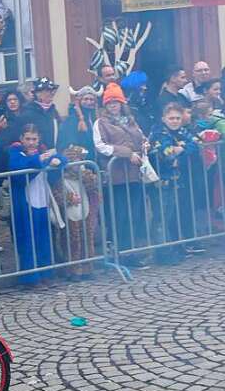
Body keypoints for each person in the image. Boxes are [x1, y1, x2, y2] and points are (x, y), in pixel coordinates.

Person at [93, 82, 149, 267]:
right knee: (120, 215)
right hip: (116, 176)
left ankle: (131, 252)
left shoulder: (131, 120)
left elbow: (140, 136)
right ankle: (121, 253)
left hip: (133, 174)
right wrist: (126, 153)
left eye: (116, 101)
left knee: (134, 214)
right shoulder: (101, 123)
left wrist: (144, 145)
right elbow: (101, 146)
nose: (113, 105)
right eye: (110, 103)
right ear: (105, 105)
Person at [7, 125, 65, 283]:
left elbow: (61, 159)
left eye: (34, 139)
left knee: (44, 239)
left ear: (39, 139)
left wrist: (56, 160)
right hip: (25, 203)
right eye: (28, 139)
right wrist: (40, 160)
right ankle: (30, 277)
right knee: (28, 240)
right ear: (21, 139)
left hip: (41, 201)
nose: (31, 143)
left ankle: (45, 272)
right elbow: (19, 169)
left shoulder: (41, 152)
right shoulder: (16, 153)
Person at [149, 103, 202, 262]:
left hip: (176, 181)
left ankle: (173, 248)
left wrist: (182, 148)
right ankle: (162, 254)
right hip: (161, 181)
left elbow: (196, 143)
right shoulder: (159, 132)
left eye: (178, 118)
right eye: (171, 118)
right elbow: (167, 154)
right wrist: (179, 149)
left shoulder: (181, 131)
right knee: (161, 218)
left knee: (171, 216)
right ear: (164, 118)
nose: (174, 121)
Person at [51, 145, 101, 277]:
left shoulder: (84, 174)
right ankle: (73, 268)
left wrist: (86, 176)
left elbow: (94, 186)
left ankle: (87, 266)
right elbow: (57, 195)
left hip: (85, 210)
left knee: (87, 237)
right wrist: (68, 198)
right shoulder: (61, 177)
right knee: (71, 239)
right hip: (70, 212)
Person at [58, 86, 99, 159]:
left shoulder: (96, 118)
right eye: (85, 99)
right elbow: (70, 143)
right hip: (82, 161)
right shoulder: (71, 119)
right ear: (79, 101)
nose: (89, 102)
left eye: (91, 99)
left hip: (96, 160)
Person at [21, 78, 61, 149]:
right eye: (47, 90)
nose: (51, 93)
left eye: (52, 90)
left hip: (53, 154)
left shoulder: (54, 112)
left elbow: (61, 133)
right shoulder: (27, 113)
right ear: (37, 94)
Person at [121, 71, 154, 135]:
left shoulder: (145, 106)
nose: (145, 88)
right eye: (141, 85)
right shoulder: (125, 109)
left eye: (145, 84)